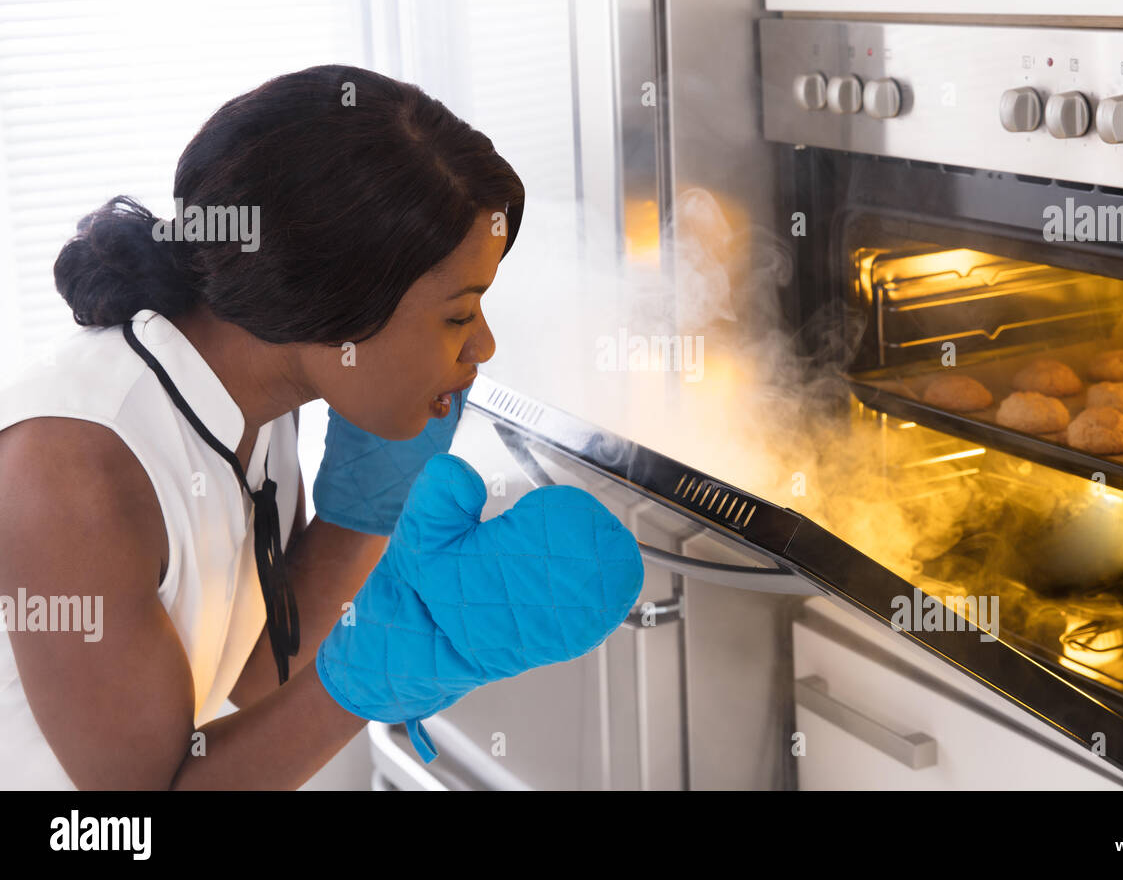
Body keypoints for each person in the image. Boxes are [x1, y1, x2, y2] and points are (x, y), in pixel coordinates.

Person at [0, 65, 643, 789]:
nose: (482, 346)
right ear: (326, 305)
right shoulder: (72, 471)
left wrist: (363, 512)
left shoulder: (257, 393)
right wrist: (380, 669)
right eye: (459, 314)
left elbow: (258, 672)